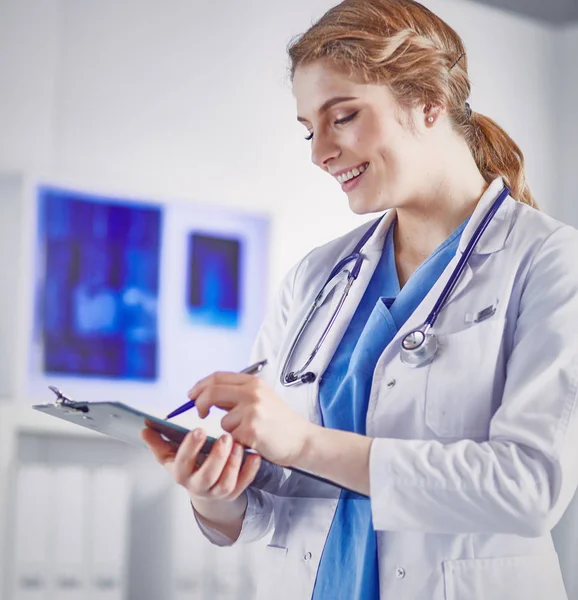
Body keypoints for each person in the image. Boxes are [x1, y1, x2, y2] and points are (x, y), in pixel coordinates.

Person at [142, 1, 578, 598]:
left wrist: (302, 443)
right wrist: (216, 494)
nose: (319, 152)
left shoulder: (550, 261)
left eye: (341, 116)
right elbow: (275, 505)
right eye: (308, 130)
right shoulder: (315, 278)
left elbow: (529, 489)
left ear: (430, 103)